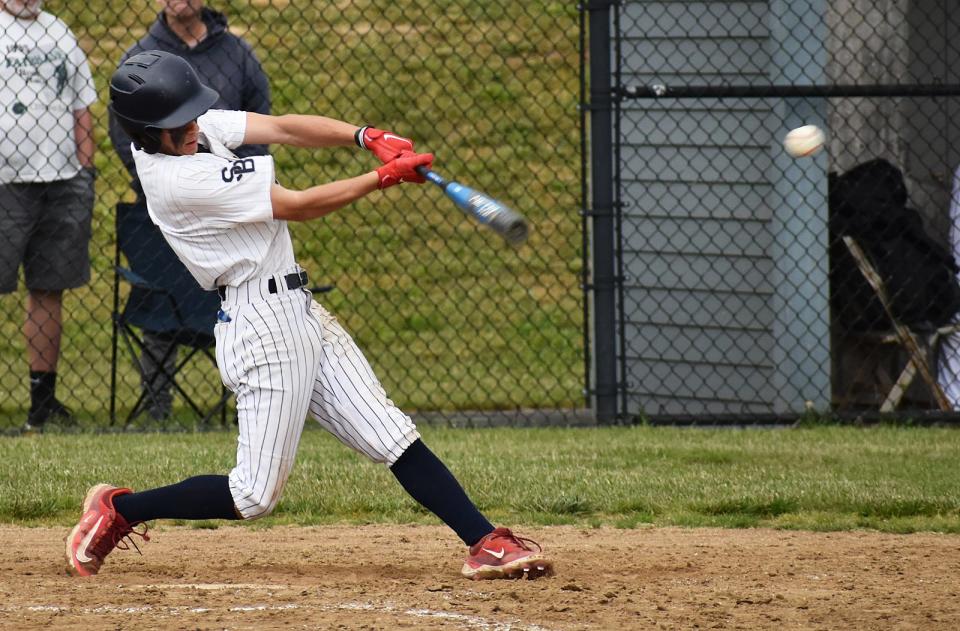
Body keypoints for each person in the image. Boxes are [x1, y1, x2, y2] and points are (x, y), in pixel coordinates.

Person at [65, 50, 554, 582]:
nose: (189, 126)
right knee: (252, 495)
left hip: (298, 309)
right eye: (175, 123)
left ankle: (485, 542)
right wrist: (383, 178)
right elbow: (296, 204)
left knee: (389, 434)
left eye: (189, 115)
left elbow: (279, 127)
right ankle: (119, 510)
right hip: (261, 327)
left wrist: (364, 135)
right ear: (144, 130)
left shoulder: (189, 130)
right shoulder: (179, 180)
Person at [110, 0, 271, 422]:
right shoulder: (142, 57)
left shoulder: (236, 54)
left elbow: (260, 117)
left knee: (246, 299)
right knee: (162, 306)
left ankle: (252, 404)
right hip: (167, 209)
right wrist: (175, 179)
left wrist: (228, 178)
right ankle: (156, 409)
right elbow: (125, 131)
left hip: (234, 203)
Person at [0, 0, 97, 432]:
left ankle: (42, 406)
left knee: (48, 289)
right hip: (4, 183)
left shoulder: (59, 32)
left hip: (62, 180)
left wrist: (86, 169)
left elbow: (82, 106)